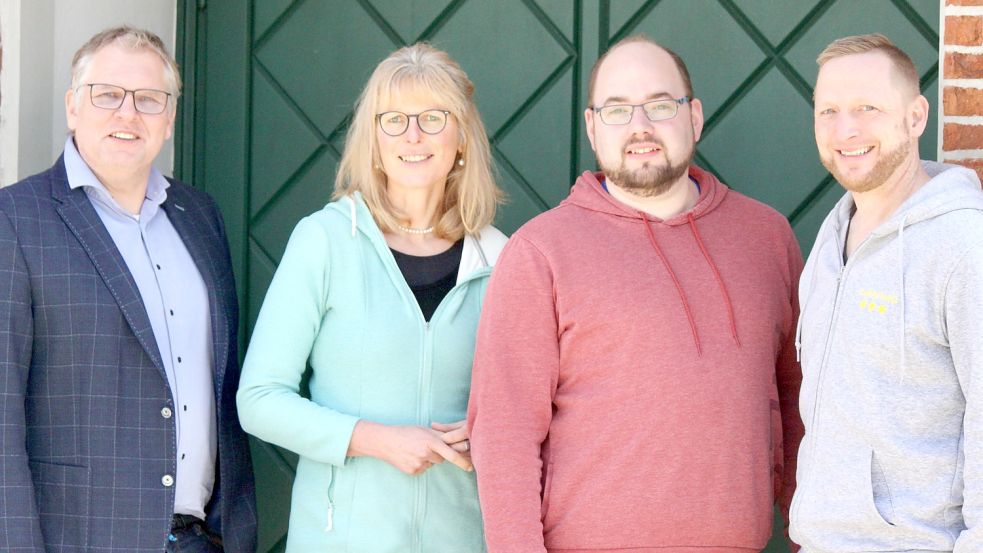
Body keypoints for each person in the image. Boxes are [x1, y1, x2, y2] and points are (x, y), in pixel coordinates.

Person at [468, 34, 804, 553]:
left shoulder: (767, 238)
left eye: (659, 105)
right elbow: (504, 431)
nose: (640, 126)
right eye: (618, 109)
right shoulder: (541, 251)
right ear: (592, 127)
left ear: (694, 116)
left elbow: (799, 404)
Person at [236, 43, 506, 552]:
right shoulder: (324, 241)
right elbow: (259, 400)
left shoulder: (501, 259)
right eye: (393, 120)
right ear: (373, 139)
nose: (413, 135)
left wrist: (487, 432)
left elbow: (528, 412)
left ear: (462, 136)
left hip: (465, 539)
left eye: (433, 117)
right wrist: (376, 440)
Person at [0, 26, 256, 553]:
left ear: (168, 120)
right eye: (108, 95)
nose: (127, 113)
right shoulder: (15, 220)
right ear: (74, 107)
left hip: (200, 541)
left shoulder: (200, 216)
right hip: (79, 539)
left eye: (148, 99)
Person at [790, 34, 983, 552]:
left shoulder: (964, 245)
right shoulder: (829, 245)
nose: (844, 129)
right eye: (827, 110)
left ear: (916, 117)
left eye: (867, 108)